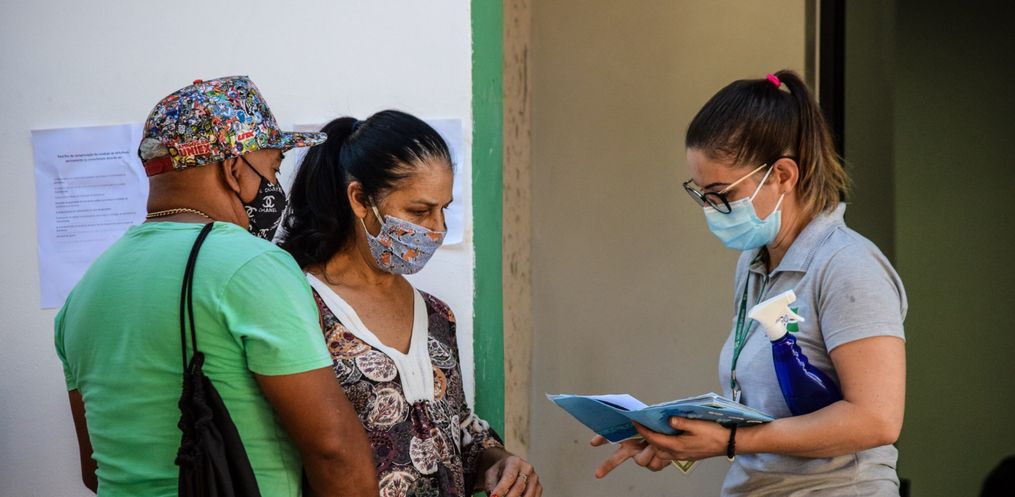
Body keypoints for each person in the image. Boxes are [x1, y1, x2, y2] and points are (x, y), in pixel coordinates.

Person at [54, 76, 378, 497]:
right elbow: (333, 450)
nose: (274, 186)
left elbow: (93, 469)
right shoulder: (252, 266)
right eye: (273, 168)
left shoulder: (85, 292)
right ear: (233, 169)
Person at [592, 70, 907, 496]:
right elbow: (766, 415)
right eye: (702, 194)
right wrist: (676, 434)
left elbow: (876, 419)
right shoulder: (755, 262)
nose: (711, 209)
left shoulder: (848, 265)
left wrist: (730, 441)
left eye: (722, 194)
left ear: (783, 175)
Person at [278, 110, 542, 497]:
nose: (438, 228)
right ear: (359, 199)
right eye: (419, 211)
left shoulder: (436, 315)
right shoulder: (301, 305)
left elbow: (459, 433)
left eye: (443, 209)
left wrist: (499, 462)